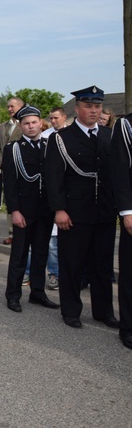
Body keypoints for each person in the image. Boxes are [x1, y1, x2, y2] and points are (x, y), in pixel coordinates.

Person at [44, 86, 117, 329]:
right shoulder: (62, 138)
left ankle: (104, 311)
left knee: (102, 264)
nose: (94, 111)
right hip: (74, 212)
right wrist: (59, 209)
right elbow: (53, 178)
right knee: (72, 264)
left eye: (97, 106)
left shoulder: (109, 135)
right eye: (88, 106)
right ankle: (71, 310)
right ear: (77, 109)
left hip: (104, 211)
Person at [2, 106, 60, 312]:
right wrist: (14, 211)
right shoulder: (13, 149)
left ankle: (38, 293)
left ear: (40, 123)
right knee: (19, 255)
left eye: (34, 122)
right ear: (20, 126)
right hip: (24, 211)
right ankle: (13, 295)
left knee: (41, 253)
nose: (31, 126)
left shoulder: (50, 145)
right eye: (26, 123)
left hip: (45, 210)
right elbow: (9, 184)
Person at [111, 113, 132, 349]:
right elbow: (120, 171)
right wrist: (127, 211)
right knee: (130, 274)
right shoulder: (127, 125)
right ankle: (128, 326)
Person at [0, 97, 26, 246]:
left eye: (12, 106)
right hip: (7, 170)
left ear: (20, 106)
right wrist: (2, 163)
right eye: (8, 107)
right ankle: (11, 233)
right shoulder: (2, 126)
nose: (9, 109)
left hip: (23, 170)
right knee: (10, 200)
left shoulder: (26, 124)